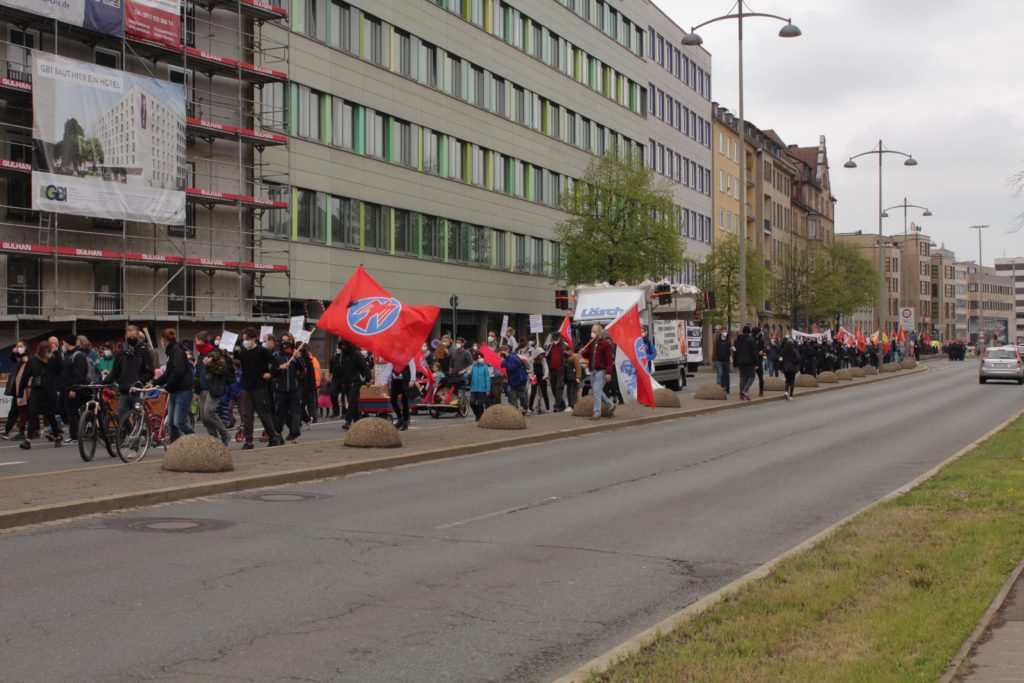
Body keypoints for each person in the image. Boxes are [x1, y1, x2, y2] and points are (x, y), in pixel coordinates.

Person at [236, 327, 282, 449]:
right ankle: (249, 441)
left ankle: (273, 437)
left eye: (247, 339)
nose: (245, 341)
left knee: (263, 413)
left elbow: (276, 363)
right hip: (247, 387)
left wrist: (270, 374)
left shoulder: (262, 351)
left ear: (253, 339)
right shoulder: (244, 352)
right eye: (244, 339)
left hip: (259, 388)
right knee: (246, 415)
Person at [17, 342, 63, 450]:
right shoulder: (32, 360)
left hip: (50, 392)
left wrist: (56, 353)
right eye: (46, 350)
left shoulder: (52, 359)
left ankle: (57, 437)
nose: (48, 352)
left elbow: (60, 369)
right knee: (32, 414)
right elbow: (25, 376)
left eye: (49, 350)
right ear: (41, 350)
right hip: (36, 392)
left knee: (50, 415)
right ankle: (28, 440)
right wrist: (20, 392)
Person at [153, 329, 195, 445]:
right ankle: (174, 446)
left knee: (179, 422)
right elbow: (167, 374)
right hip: (174, 390)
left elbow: (178, 371)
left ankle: (197, 440)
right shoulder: (171, 351)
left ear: (163, 340)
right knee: (171, 422)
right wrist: (154, 382)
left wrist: (167, 386)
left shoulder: (176, 350)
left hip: (183, 390)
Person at [105, 326, 155, 420]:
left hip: (138, 391)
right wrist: (101, 382)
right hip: (124, 391)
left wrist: (140, 381)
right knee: (122, 417)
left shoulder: (144, 351)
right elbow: (114, 373)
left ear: (137, 335)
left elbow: (150, 372)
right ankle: (126, 433)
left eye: (134, 335)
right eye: (129, 335)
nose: (131, 338)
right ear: (125, 336)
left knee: (138, 417)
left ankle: (140, 433)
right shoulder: (120, 353)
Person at [271, 334, 308, 443]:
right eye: (283, 340)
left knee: (295, 412)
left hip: (294, 389)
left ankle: (294, 433)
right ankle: (278, 435)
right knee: (280, 414)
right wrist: (280, 367)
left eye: (287, 340)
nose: (285, 342)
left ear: (291, 341)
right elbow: (272, 371)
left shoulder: (296, 354)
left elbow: (303, 370)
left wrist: (298, 358)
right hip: (280, 390)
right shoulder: (277, 355)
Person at [58, 334, 93, 445]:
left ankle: (75, 436)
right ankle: (77, 432)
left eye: (63, 342)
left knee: (72, 412)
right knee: (65, 410)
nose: (62, 345)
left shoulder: (78, 355)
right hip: (65, 388)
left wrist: (74, 389)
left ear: (67, 343)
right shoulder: (67, 355)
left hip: (73, 389)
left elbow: (79, 374)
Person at [200, 346, 233, 445]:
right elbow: (198, 372)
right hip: (202, 388)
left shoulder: (217, 356)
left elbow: (221, 370)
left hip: (214, 388)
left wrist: (209, 364)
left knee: (209, 412)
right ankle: (214, 440)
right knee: (204, 418)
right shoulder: (200, 356)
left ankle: (225, 433)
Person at [585, 324, 616, 421]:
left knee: (597, 390)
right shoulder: (591, 343)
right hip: (593, 371)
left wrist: (609, 373)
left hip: (601, 371)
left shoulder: (606, 344)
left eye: (594, 331)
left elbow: (609, 359)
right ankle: (611, 405)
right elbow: (589, 355)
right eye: (592, 331)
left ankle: (597, 412)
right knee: (597, 391)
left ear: (599, 332)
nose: (592, 333)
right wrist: (583, 351)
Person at [338, 341, 369, 430]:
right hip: (347, 381)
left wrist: (368, 379)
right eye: (342, 346)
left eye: (344, 345)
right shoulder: (343, 356)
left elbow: (365, 367)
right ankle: (357, 420)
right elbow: (342, 369)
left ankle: (348, 421)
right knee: (353, 402)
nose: (343, 347)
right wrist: (343, 381)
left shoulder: (357, 355)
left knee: (351, 400)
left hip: (355, 381)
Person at [2, 341, 29, 440]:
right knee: (16, 411)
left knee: (26, 411)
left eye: (21, 346)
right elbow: (13, 359)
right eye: (17, 346)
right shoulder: (20, 360)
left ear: (26, 347)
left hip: (26, 391)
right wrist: (13, 353)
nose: (19, 348)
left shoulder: (28, 359)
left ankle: (27, 432)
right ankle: (7, 430)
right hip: (18, 390)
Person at [500, 345, 529, 414]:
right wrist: (505, 359)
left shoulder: (513, 357)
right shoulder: (506, 359)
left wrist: (507, 358)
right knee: (513, 397)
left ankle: (525, 407)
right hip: (512, 380)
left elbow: (512, 367)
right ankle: (516, 411)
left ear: (507, 351)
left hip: (520, 379)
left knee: (521, 396)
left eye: (503, 351)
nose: (502, 353)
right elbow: (501, 364)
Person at [733, 325, 758, 401]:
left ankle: (741, 395)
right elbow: (754, 352)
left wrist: (735, 362)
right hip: (749, 362)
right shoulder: (751, 340)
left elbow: (735, 351)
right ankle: (745, 390)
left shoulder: (737, 340)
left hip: (740, 362)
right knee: (752, 376)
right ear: (749, 332)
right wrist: (756, 363)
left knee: (742, 378)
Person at [389, 360, 413, 431]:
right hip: (395, 379)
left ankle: (405, 421)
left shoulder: (408, 355)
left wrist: (412, 380)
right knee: (393, 400)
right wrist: (386, 380)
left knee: (404, 401)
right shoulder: (393, 355)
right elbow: (389, 366)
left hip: (404, 379)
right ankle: (400, 417)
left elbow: (412, 366)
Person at [468, 352, 491, 421]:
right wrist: (468, 373)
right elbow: (466, 376)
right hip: (473, 388)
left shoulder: (485, 367)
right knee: (472, 402)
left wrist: (487, 389)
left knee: (480, 404)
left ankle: (480, 416)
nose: (480, 359)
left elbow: (487, 378)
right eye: (478, 358)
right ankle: (477, 414)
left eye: (481, 357)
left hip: (482, 389)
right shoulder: (472, 367)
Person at [547, 339, 566, 412]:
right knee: (553, 388)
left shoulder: (563, 346)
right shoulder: (550, 346)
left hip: (560, 370)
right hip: (552, 370)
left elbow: (567, 355)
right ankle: (562, 404)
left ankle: (557, 406)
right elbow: (548, 357)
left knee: (559, 388)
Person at [713, 327, 732, 394]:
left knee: (726, 375)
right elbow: (714, 350)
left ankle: (727, 388)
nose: (725, 332)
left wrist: (731, 357)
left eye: (725, 331)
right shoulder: (717, 340)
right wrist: (714, 359)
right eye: (723, 331)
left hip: (726, 360)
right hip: (719, 360)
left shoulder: (728, 340)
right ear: (721, 332)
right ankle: (719, 389)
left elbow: (730, 349)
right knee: (720, 374)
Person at [752, 327, 766, 397]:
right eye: (759, 331)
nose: (761, 333)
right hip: (752, 361)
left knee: (761, 377)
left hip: (759, 360)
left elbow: (764, 348)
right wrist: (758, 352)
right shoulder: (751, 339)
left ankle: (761, 390)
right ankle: (745, 390)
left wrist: (763, 351)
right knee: (750, 377)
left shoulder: (761, 339)